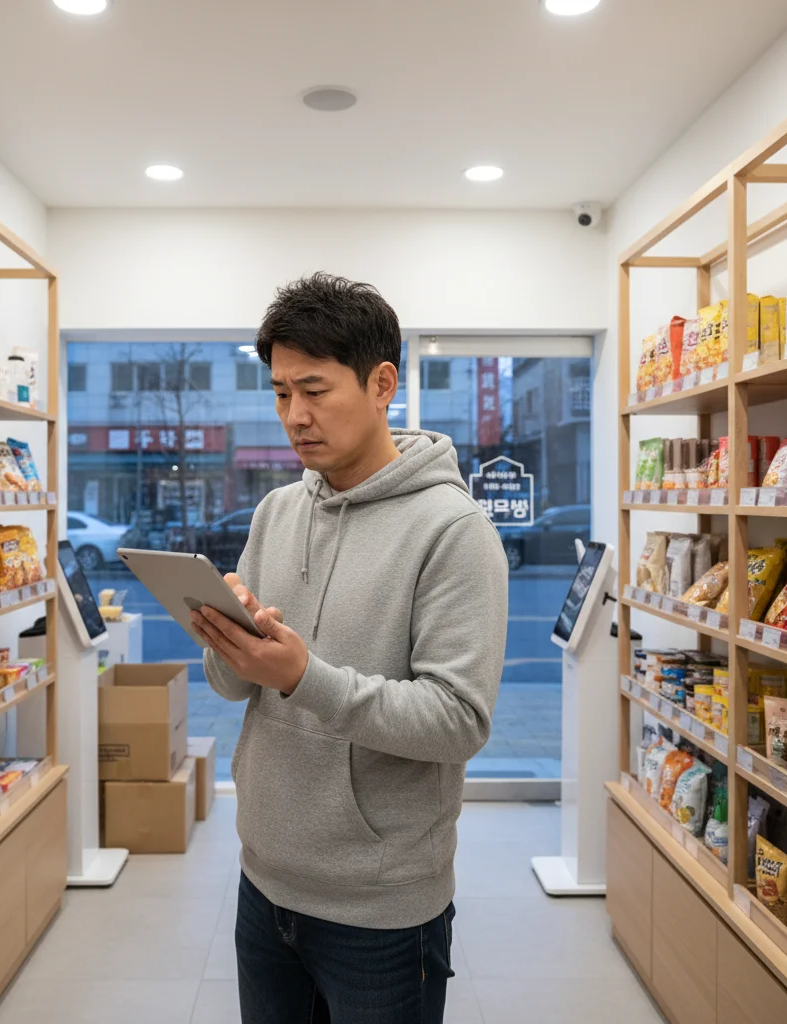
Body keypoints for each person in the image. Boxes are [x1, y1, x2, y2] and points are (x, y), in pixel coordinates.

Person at [192, 272, 508, 1024]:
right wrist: (227, 638)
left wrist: (305, 676)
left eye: (314, 389)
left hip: (383, 909)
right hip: (262, 880)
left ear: (381, 384)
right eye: (278, 393)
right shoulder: (275, 510)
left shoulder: (453, 531)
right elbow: (237, 690)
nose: (294, 416)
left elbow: (459, 719)